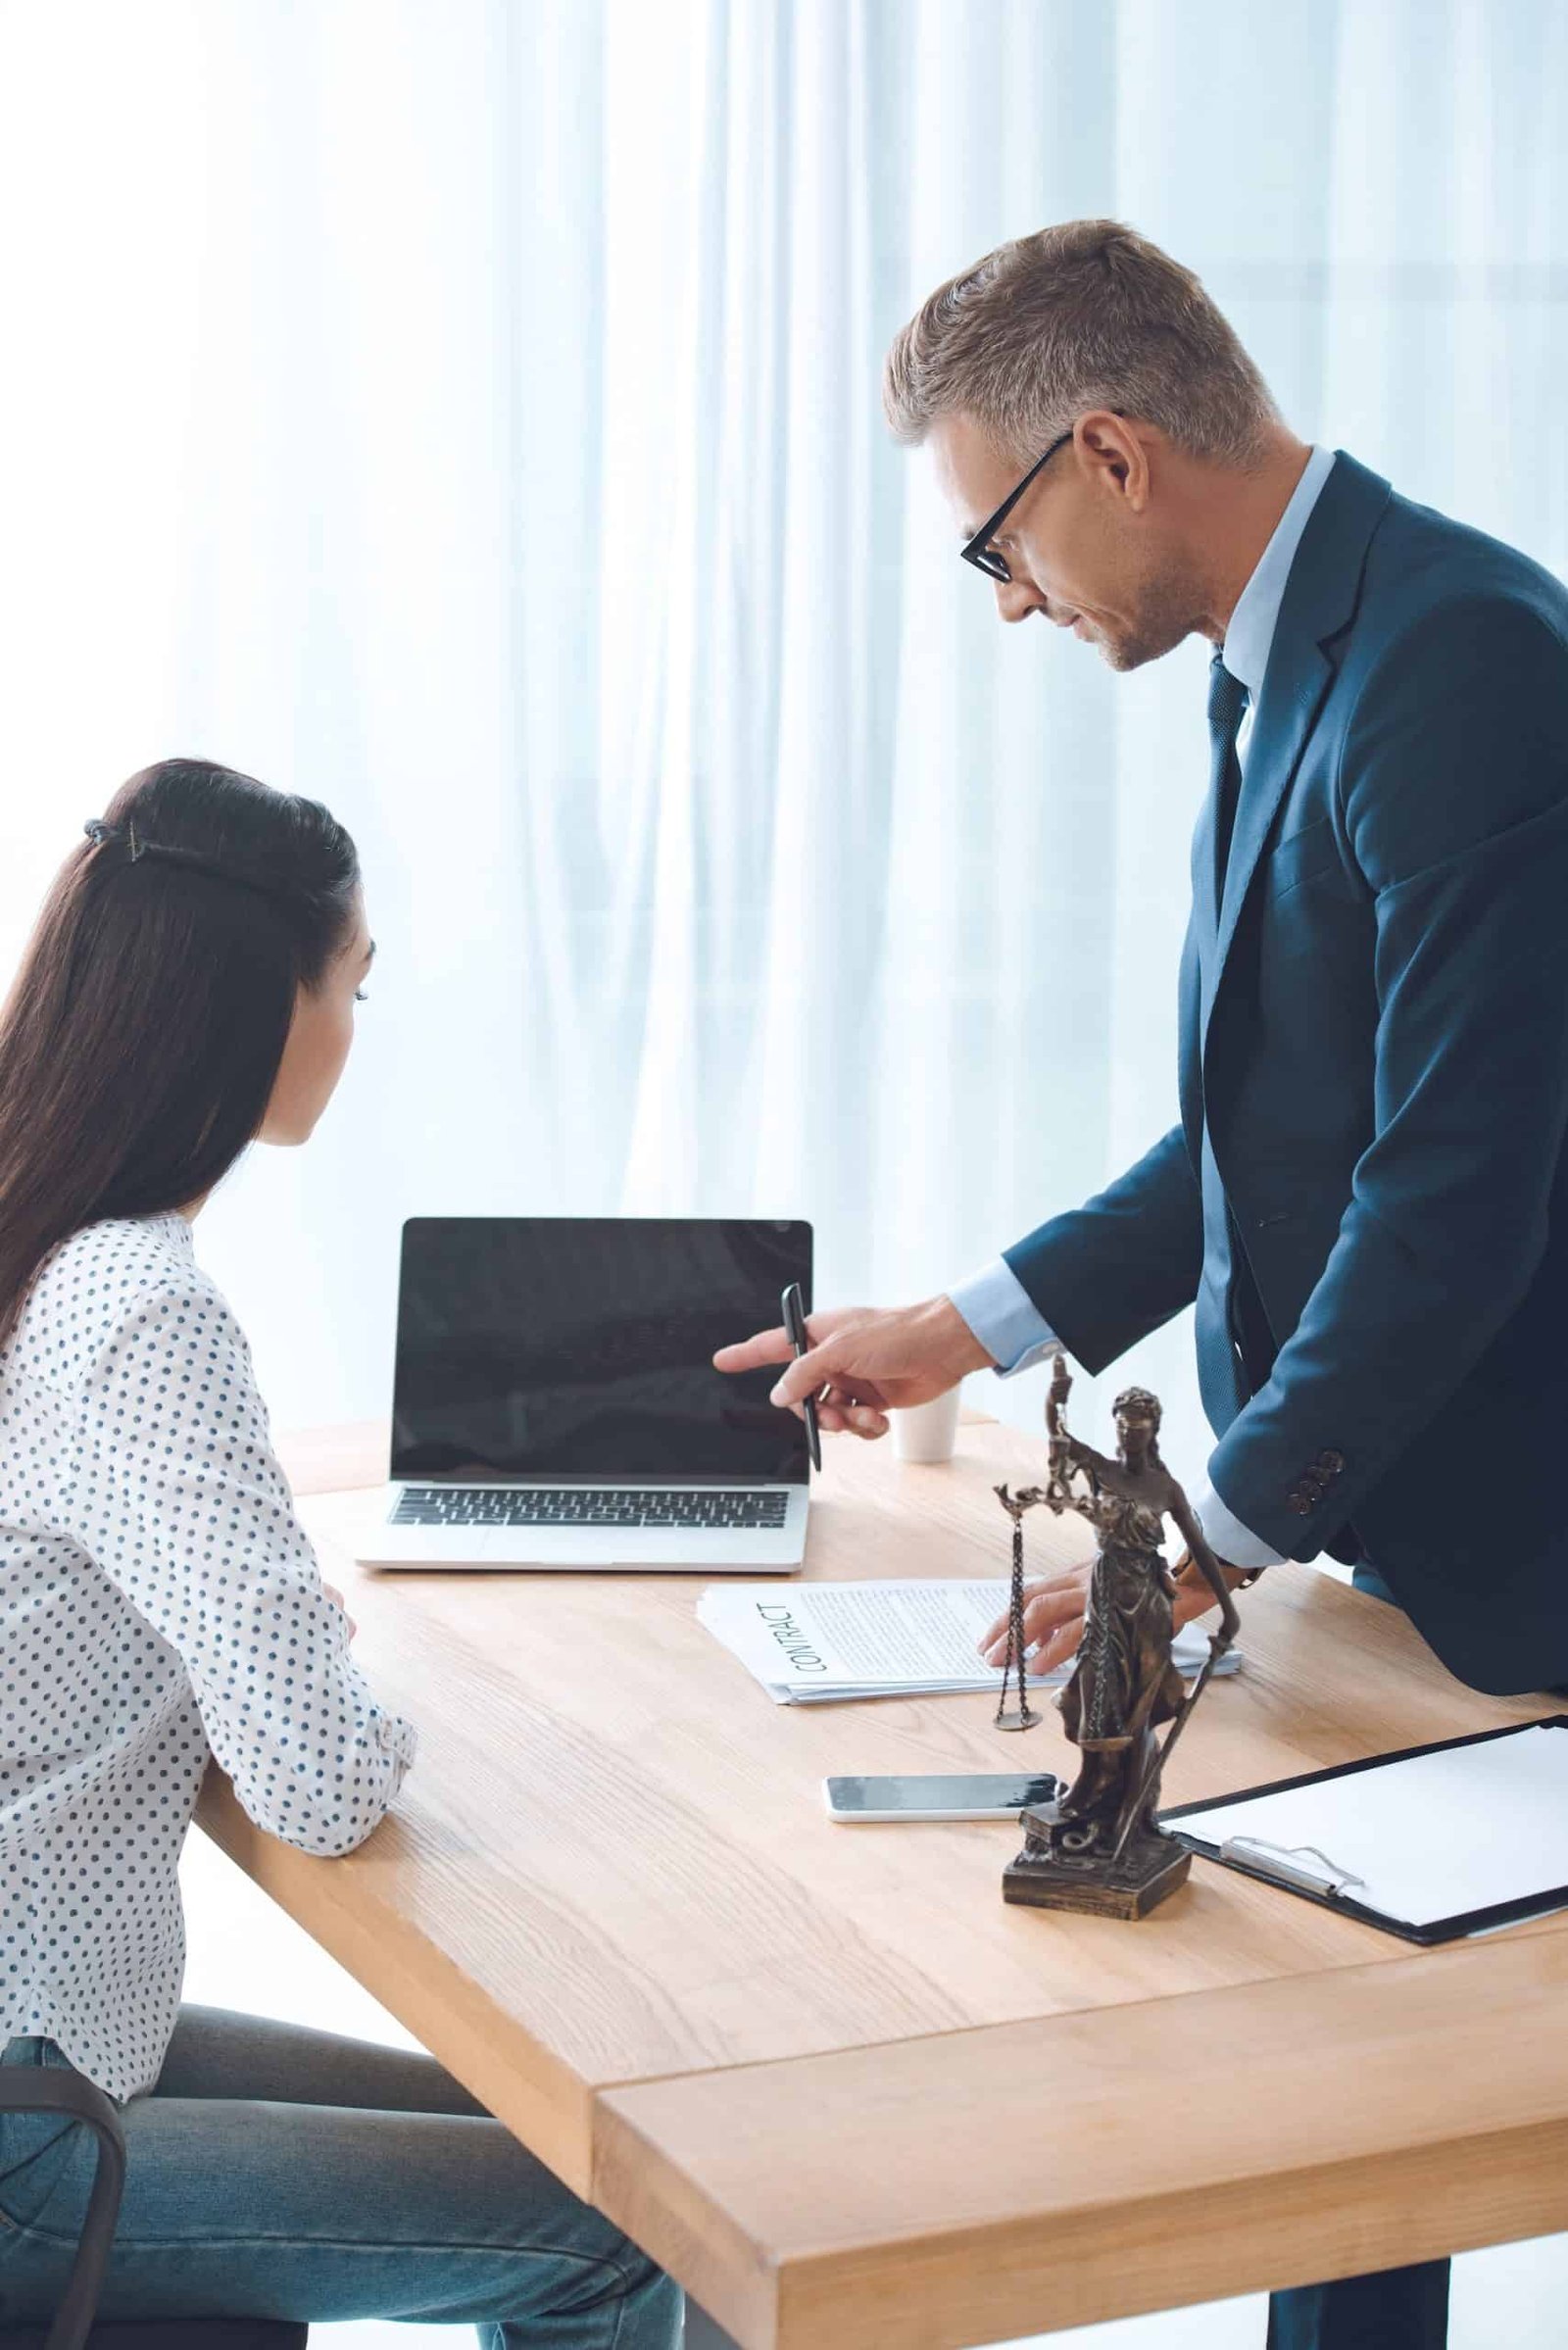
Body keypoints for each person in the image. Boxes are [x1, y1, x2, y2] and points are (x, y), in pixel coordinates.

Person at [715, 219, 1568, 2350]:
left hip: (1520, 1544)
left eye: (992, 548)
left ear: (1103, 451)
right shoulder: (1288, 654)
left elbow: (1450, 1175)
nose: (1009, 605)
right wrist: (974, 1312)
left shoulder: (1459, 656)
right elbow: (1267, 1122)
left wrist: (1196, 1528)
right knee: (1339, 2097)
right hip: (1397, 1537)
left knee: (1400, 2097)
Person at [0, 760, 680, 2347]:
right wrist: (329, 1672)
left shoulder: (41, 1241)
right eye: (352, 981)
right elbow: (317, 1774)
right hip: (36, 2107)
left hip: (64, 2037)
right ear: (264, 1006)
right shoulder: (135, 1306)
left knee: (563, 2133)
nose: (357, 1029)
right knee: (632, 2230)